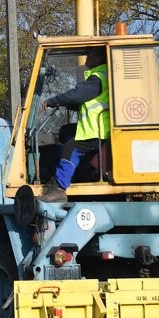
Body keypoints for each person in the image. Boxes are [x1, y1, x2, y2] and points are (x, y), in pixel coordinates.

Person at [37, 48, 109, 204]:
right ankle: (79, 171)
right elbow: (88, 101)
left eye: (90, 54)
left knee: (70, 148)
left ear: (97, 57)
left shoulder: (98, 78)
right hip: (95, 130)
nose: (86, 58)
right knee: (66, 131)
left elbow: (77, 94)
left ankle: (59, 188)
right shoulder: (101, 76)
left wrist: (52, 101)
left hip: (98, 132)